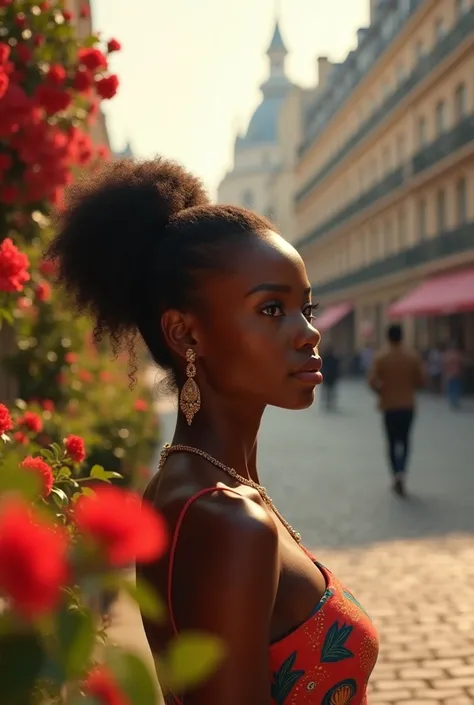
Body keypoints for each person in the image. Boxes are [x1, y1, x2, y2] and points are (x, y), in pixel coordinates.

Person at [47, 157, 379, 705]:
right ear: (184, 333)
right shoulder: (228, 519)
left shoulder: (192, 484)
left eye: (306, 307)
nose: (309, 332)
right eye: (272, 308)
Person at [368, 324, 425, 497]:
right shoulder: (412, 356)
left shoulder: (382, 357)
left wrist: (381, 391)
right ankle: (402, 471)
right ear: (402, 336)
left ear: (388, 337)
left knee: (392, 441)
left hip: (389, 406)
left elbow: (371, 381)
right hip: (407, 405)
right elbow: (421, 381)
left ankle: (395, 474)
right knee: (405, 440)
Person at [442, 341, 464, 409]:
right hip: (456, 373)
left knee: (451, 387)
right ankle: (455, 400)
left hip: (450, 374)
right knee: (455, 387)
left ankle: (452, 401)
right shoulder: (458, 354)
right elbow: (461, 363)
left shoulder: (447, 354)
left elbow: (445, 364)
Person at [321, 344, 340, 410]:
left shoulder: (324, 358)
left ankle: (328, 402)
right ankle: (330, 401)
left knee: (327, 390)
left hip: (326, 376)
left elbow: (321, 367)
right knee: (331, 390)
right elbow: (337, 367)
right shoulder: (334, 358)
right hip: (332, 376)